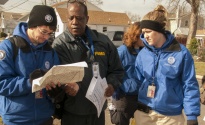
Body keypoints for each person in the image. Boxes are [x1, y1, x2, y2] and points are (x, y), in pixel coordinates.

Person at [48, 0, 124, 125]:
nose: (74, 22)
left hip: (97, 111)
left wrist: (111, 84)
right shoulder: (60, 44)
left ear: (87, 19)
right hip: (73, 111)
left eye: (79, 18)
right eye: (71, 18)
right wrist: (67, 85)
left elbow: (117, 70)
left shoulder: (103, 41)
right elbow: (59, 75)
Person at [134, 5, 200, 125]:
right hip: (143, 113)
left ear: (160, 30)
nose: (145, 36)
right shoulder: (143, 54)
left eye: (148, 31)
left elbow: (189, 85)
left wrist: (192, 115)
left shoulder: (181, 53)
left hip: (170, 117)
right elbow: (137, 81)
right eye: (143, 32)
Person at [0, 5, 59, 125]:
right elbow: (1, 83)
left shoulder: (50, 51)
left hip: (44, 117)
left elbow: (57, 75)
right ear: (32, 25)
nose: (46, 37)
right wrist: (29, 82)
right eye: (44, 32)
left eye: (50, 33)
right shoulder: (9, 47)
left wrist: (56, 89)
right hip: (17, 119)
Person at [109, 22, 143, 125]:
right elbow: (112, 71)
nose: (146, 38)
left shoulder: (144, 52)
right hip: (123, 99)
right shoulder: (122, 51)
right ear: (135, 35)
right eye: (143, 35)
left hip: (139, 97)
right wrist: (126, 86)